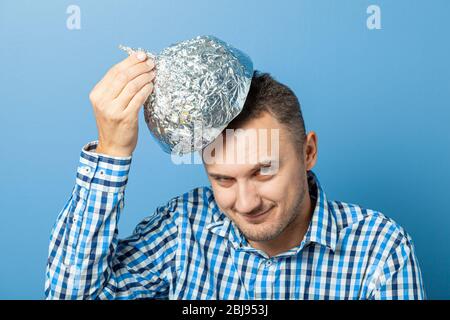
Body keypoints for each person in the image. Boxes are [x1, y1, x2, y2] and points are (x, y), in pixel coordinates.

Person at [45, 51, 425, 299]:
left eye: (263, 172)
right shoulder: (185, 226)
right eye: (223, 180)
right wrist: (113, 152)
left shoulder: (379, 251)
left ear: (308, 152)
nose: (245, 203)